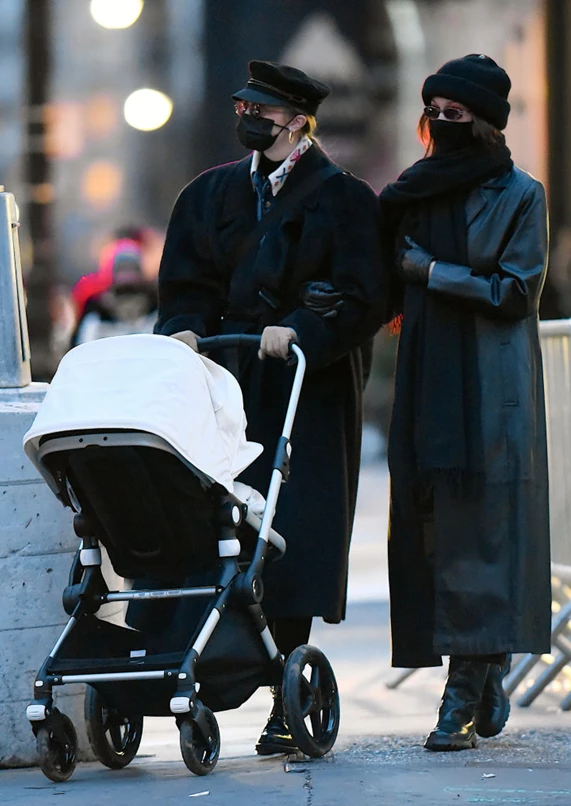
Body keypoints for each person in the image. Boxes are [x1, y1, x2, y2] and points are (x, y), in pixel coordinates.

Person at [155, 60, 385, 755]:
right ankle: (211, 657)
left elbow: (363, 295)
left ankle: (288, 677)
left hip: (301, 389)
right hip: (224, 382)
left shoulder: (343, 199)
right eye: (241, 105)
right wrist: (186, 327)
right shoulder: (210, 194)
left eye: (262, 109)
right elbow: (185, 280)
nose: (248, 117)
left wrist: (303, 329)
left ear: (297, 120)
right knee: (217, 520)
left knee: (294, 525)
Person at [380, 54, 551, 751]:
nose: (444, 124)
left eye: (458, 113)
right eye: (435, 113)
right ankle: (485, 665)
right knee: (431, 531)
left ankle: (460, 694)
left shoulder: (521, 193)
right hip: (426, 381)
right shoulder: (411, 194)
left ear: (484, 122)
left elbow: (517, 291)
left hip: (491, 388)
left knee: (481, 533)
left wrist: (433, 272)